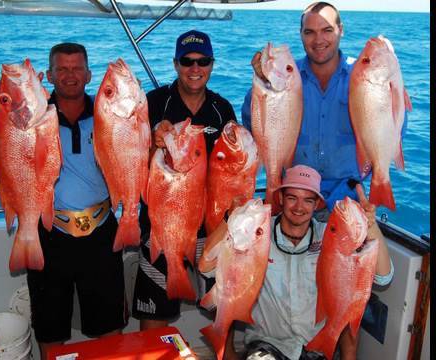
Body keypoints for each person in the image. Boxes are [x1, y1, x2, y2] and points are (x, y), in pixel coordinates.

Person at [241, 1, 407, 218]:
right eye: (309, 32)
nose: (318, 40)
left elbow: (394, 129)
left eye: (327, 30)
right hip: (293, 200)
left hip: (347, 199)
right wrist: (260, 86)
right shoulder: (285, 75)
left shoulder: (364, 76)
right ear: (300, 34)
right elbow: (254, 126)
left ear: (341, 30)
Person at [220, 165, 394, 360]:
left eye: (308, 200)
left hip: (316, 347)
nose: (299, 207)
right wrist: (231, 219)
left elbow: (383, 277)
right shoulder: (256, 233)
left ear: (317, 204)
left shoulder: (332, 235)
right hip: (268, 345)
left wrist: (371, 226)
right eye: (292, 198)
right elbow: (210, 270)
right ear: (280, 198)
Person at [26, 43, 127, 359]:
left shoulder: (108, 115)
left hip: (100, 234)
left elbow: (133, 155)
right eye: (62, 69)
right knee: (49, 327)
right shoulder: (32, 118)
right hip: (48, 233)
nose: (70, 75)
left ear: (89, 74)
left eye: (77, 68)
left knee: (109, 325)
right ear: (51, 75)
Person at [131, 29, 237, 330]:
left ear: (212, 64)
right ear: (175, 64)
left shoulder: (222, 109)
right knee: (153, 318)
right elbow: (129, 161)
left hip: (211, 228)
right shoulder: (153, 103)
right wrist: (154, 143)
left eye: (203, 61)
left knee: (223, 313)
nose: (195, 69)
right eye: (187, 61)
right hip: (162, 225)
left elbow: (233, 168)